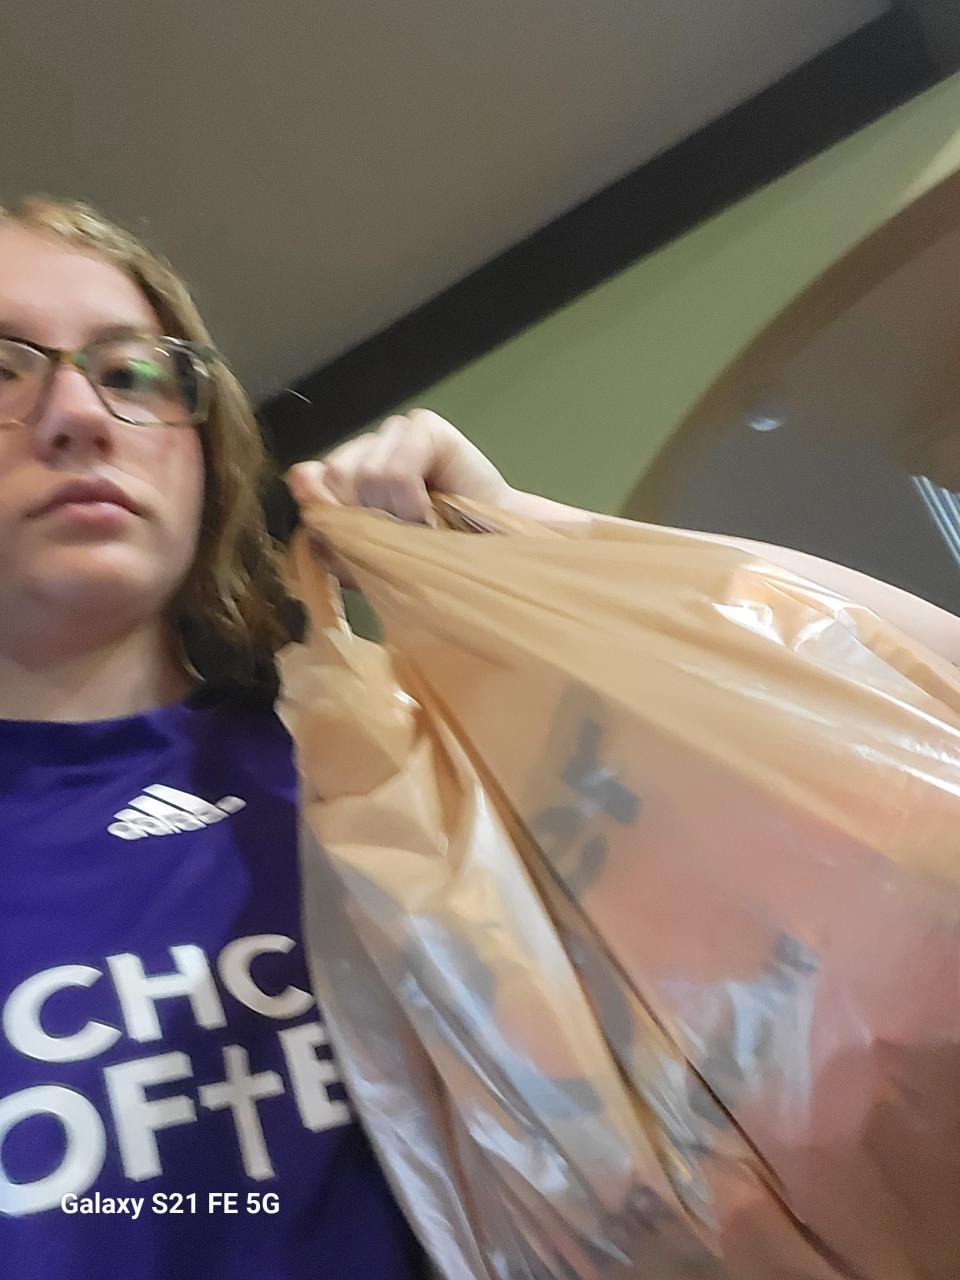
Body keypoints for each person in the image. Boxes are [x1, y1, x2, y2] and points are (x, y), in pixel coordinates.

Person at [0, 198, 956, 1280]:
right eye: (3, 368)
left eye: (131, 372)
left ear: (201, 445)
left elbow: (923, 716)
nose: (76, 413)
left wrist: (532, 535)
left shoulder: (409, 760)